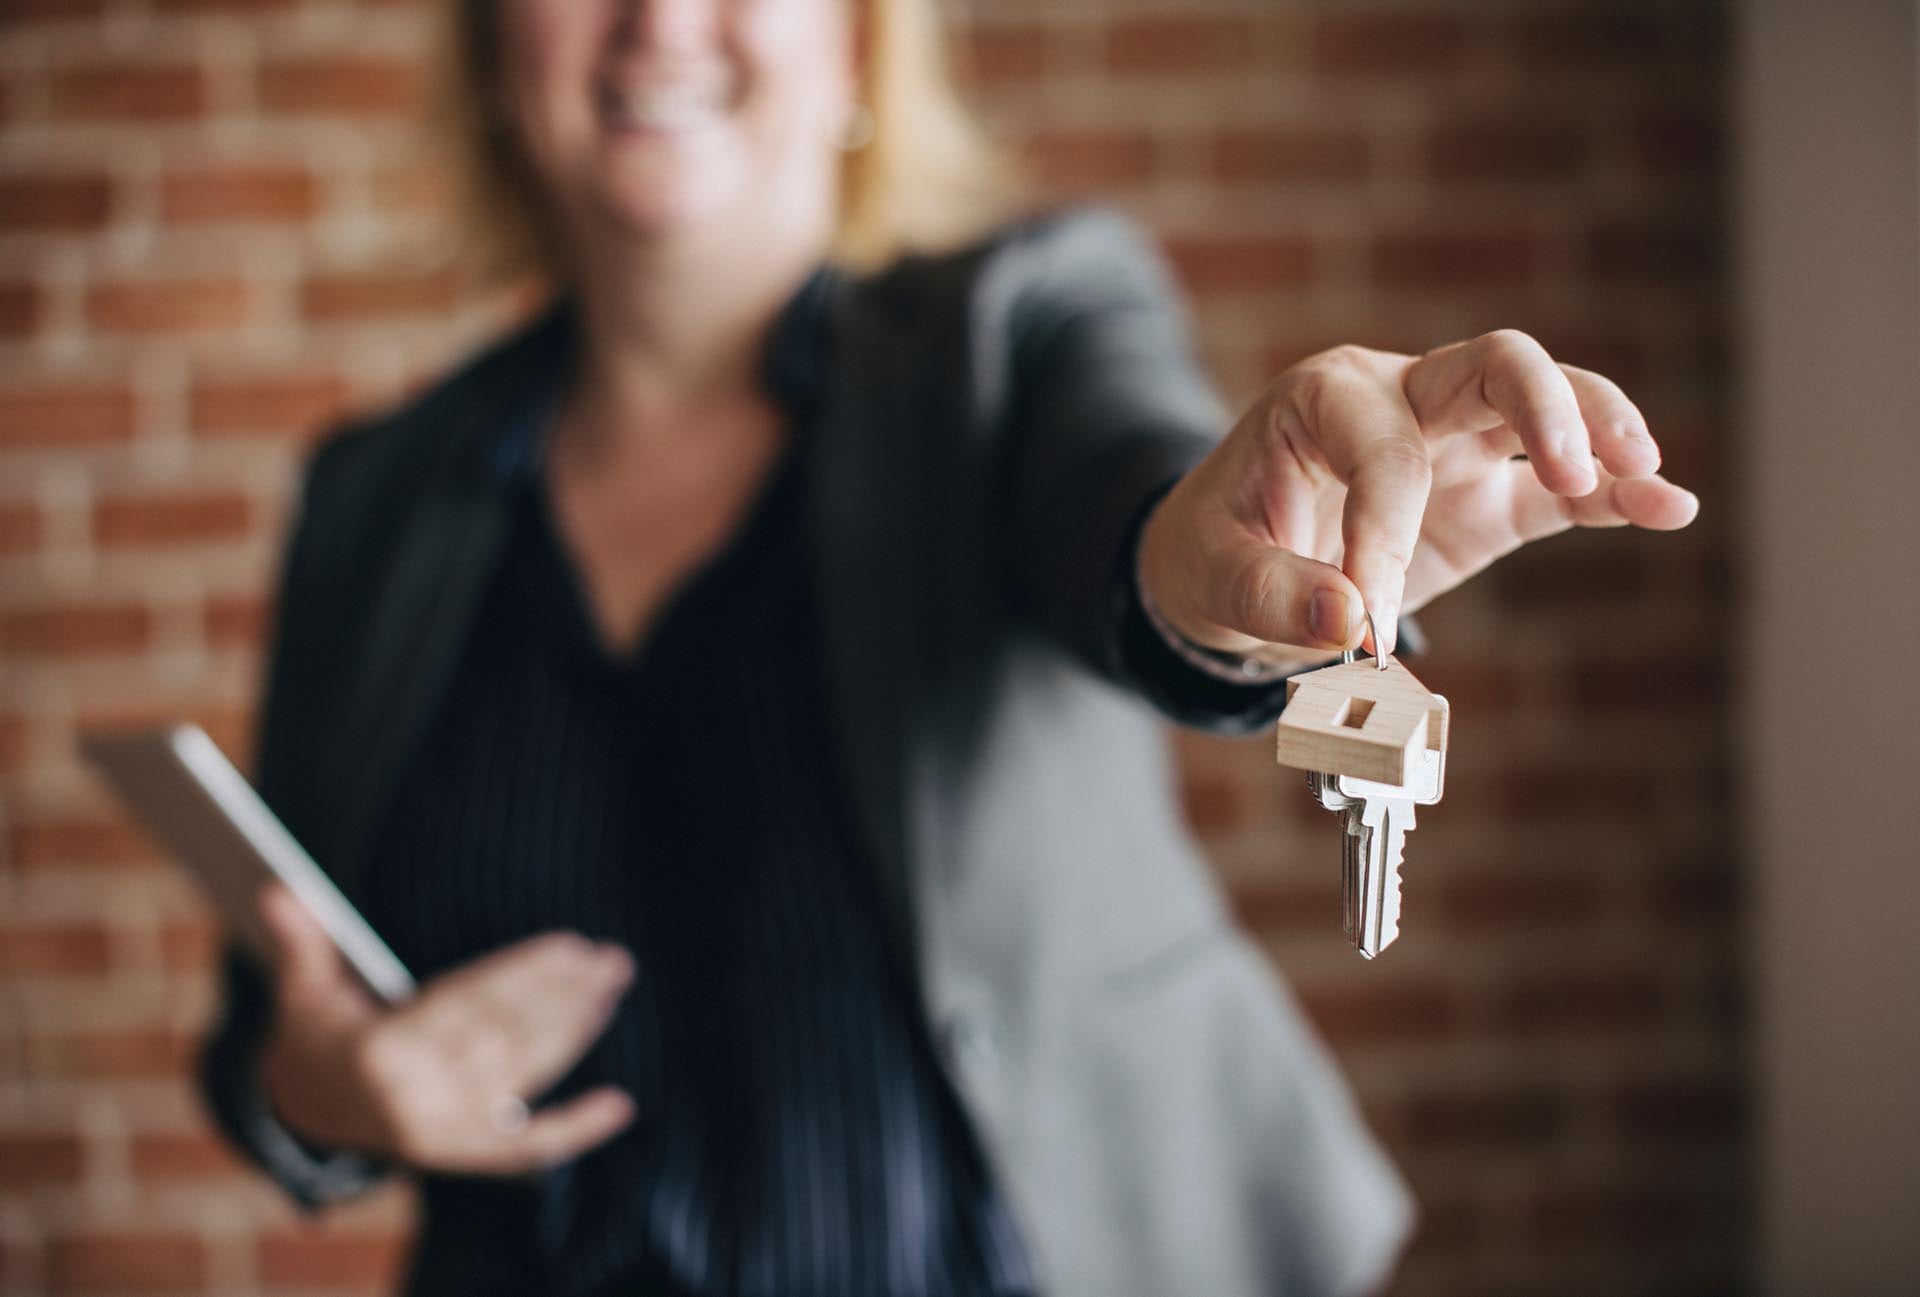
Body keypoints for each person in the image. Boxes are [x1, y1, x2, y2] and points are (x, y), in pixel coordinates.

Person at [193, 0, 1700, 1293]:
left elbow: (1138, 539)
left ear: (860, 42)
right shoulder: (372, 500)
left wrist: (1227, 568)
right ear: (491, 47)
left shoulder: (1022, 332)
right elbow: (281, 1013)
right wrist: (319, 1083)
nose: (657, 19)